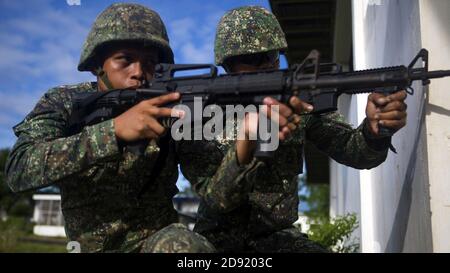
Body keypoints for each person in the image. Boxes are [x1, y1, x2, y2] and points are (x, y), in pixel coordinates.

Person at [178, 6, 408, 253]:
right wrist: (246, 142)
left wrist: (375, 130)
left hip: (279, 240)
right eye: (253, 59)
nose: (266, 65)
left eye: (272, 55)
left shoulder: (295, 102)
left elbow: (356, 152)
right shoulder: (200, 114)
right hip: (216, 243)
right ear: (229, 65)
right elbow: (217, 200)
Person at [4, 3, 216, 253]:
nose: (138, 72)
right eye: (125, 59)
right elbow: (18, 169)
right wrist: (112, 132)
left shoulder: (171, 109)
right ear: (97, 64)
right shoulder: (64, 102)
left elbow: (214, 193)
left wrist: (244, 150)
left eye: (149, 63)